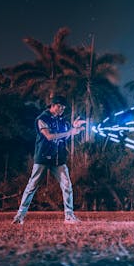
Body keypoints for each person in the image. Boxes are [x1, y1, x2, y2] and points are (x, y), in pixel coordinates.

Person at [12, 96, 86, 225]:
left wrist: (74, 127)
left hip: (59, 159)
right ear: (52, 105)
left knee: (67, 185)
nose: (62, 109)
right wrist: (70, 132)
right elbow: (49, 136)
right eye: (60, 107)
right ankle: (19, 217)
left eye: (63, 108)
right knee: (32, 186)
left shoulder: (62, 120)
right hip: (43, 157)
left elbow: (65, 136)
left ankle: (69, 216)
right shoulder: (42, 119)